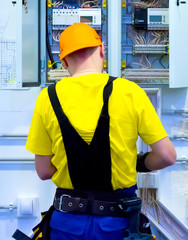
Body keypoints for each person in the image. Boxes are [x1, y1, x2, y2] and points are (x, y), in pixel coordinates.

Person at [25, 22, 176, 240]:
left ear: (64, 61)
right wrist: (139, 162)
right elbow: (167, 156)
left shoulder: (47, 98)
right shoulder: (130, 92)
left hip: (66, 225)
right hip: (119, 226)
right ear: (102, 50)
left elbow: (44, 171)